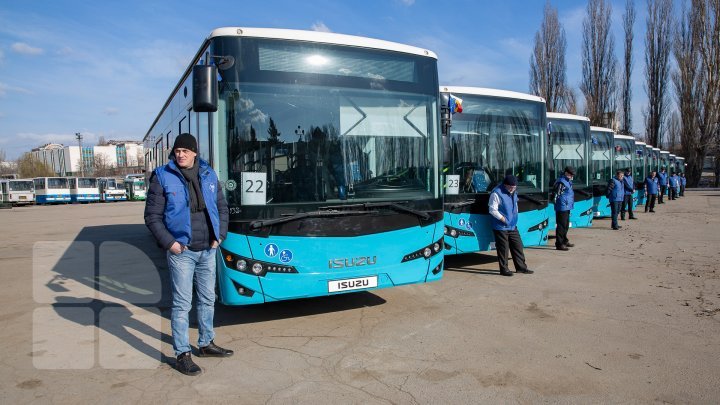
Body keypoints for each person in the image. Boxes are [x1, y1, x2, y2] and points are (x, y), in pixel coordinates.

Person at [144, 133, 232, 376]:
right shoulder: (162, 176)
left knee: (207, 299)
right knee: (182, 304)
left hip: (208, 249)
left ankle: (206, 343)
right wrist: (170, 243)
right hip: (182, 251)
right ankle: (182, 353)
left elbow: (221, 207)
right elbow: (152, 217)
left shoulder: (208, 174)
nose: (180, 154)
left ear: (195, 152)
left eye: (185, 150)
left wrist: (220, 236)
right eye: (177, 151)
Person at [488, 175, 533, 276]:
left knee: (518, 246)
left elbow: (515, 205)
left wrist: (514, 216)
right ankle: (504, 269)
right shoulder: (496, 193)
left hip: (512, 225)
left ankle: (521, 268)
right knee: (503, 248)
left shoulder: (513, 192)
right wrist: (503, 219)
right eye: (511, 187)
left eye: (514, 187)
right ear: (505, 185)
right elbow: (492, 210)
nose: (512, 189)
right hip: (501, 226)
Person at [552, 166, 575, 251]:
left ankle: (564, 241)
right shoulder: (561, 182)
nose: (572, 176)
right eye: (570, 174)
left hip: (567, 206)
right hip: (562, 207)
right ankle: (559, 244)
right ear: (566, 173)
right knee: (561, 226)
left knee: (565, 225)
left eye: (572, 175)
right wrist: (560, 203)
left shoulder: (568, 181)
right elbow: (556, 195)